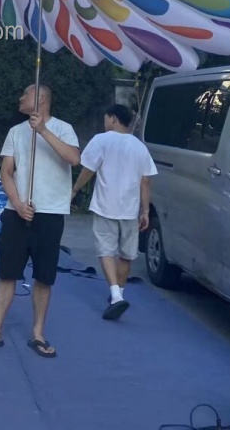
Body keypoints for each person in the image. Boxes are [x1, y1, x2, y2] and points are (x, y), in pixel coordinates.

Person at [0, 84, 80, 358]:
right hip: (17, 212)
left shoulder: (63, 128)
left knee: (44, 276)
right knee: (7, 273)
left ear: (40, 99)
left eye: (26, 94)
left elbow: (73, 158)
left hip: (51, 213)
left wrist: (43, 130)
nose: (20, 97)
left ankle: (38, 333)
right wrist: (18, 203)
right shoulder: (16, 132)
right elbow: (6, 171)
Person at [71, 104, 157, 320]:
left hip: (105, 206)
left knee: (106, 251)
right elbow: (145, 181)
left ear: (113, 119)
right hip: (130, 209)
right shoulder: (140, 147)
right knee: (127, 255)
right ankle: (119, 294)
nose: (105, 122)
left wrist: (74, 190)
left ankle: (116, 296)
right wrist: (145, 211)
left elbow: (88, 170)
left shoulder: (101, 140)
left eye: (106, 118)